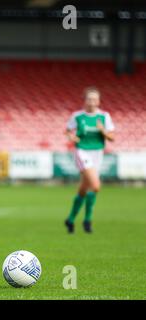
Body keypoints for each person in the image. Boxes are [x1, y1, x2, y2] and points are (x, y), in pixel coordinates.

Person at [64, 87, 115, 233]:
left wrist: (103, 130)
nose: (91, 102)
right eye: (89, 99)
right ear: (84, 100)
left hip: (97, 153)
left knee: (84, 188)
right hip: (82, 152)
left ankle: (71, 219)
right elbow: (68, 131)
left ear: (98, 101)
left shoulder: (104, 116)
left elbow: (112, 137)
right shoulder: (77, 116)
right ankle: (87, 220)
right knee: (96, 185)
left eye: (94, 99)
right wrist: (71, 137)